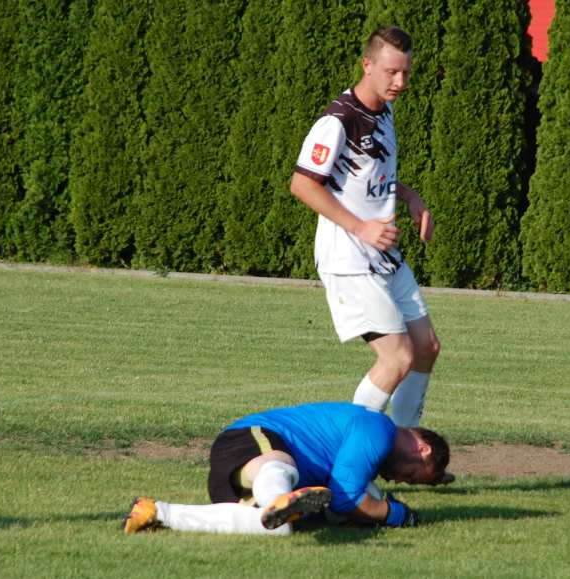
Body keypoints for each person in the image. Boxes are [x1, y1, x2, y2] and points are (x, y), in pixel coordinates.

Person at [290, 26, 441, 434]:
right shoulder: (338, 121)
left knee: (425, 348)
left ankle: (406, 449)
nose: (401, 82)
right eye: (392, 72)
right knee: (396, 359)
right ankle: (347, 453)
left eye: (406, 73)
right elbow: (302, 184)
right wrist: (361, 227)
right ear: (367, 64)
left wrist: (408, 197)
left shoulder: (385, 112)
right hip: (349, 256)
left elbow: (371, 177)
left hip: (383, 254)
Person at [123, 401, 450, 535]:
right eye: (409, 475)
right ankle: (278, 497)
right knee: (282, 469)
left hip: (236, 472)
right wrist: (395, 514)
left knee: (277, 528)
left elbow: (339, 501)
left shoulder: (376, 446)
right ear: (423, 449)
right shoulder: (380, 429)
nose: (394, 478)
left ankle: (157, 512)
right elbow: (346, 497)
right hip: (254, 438)